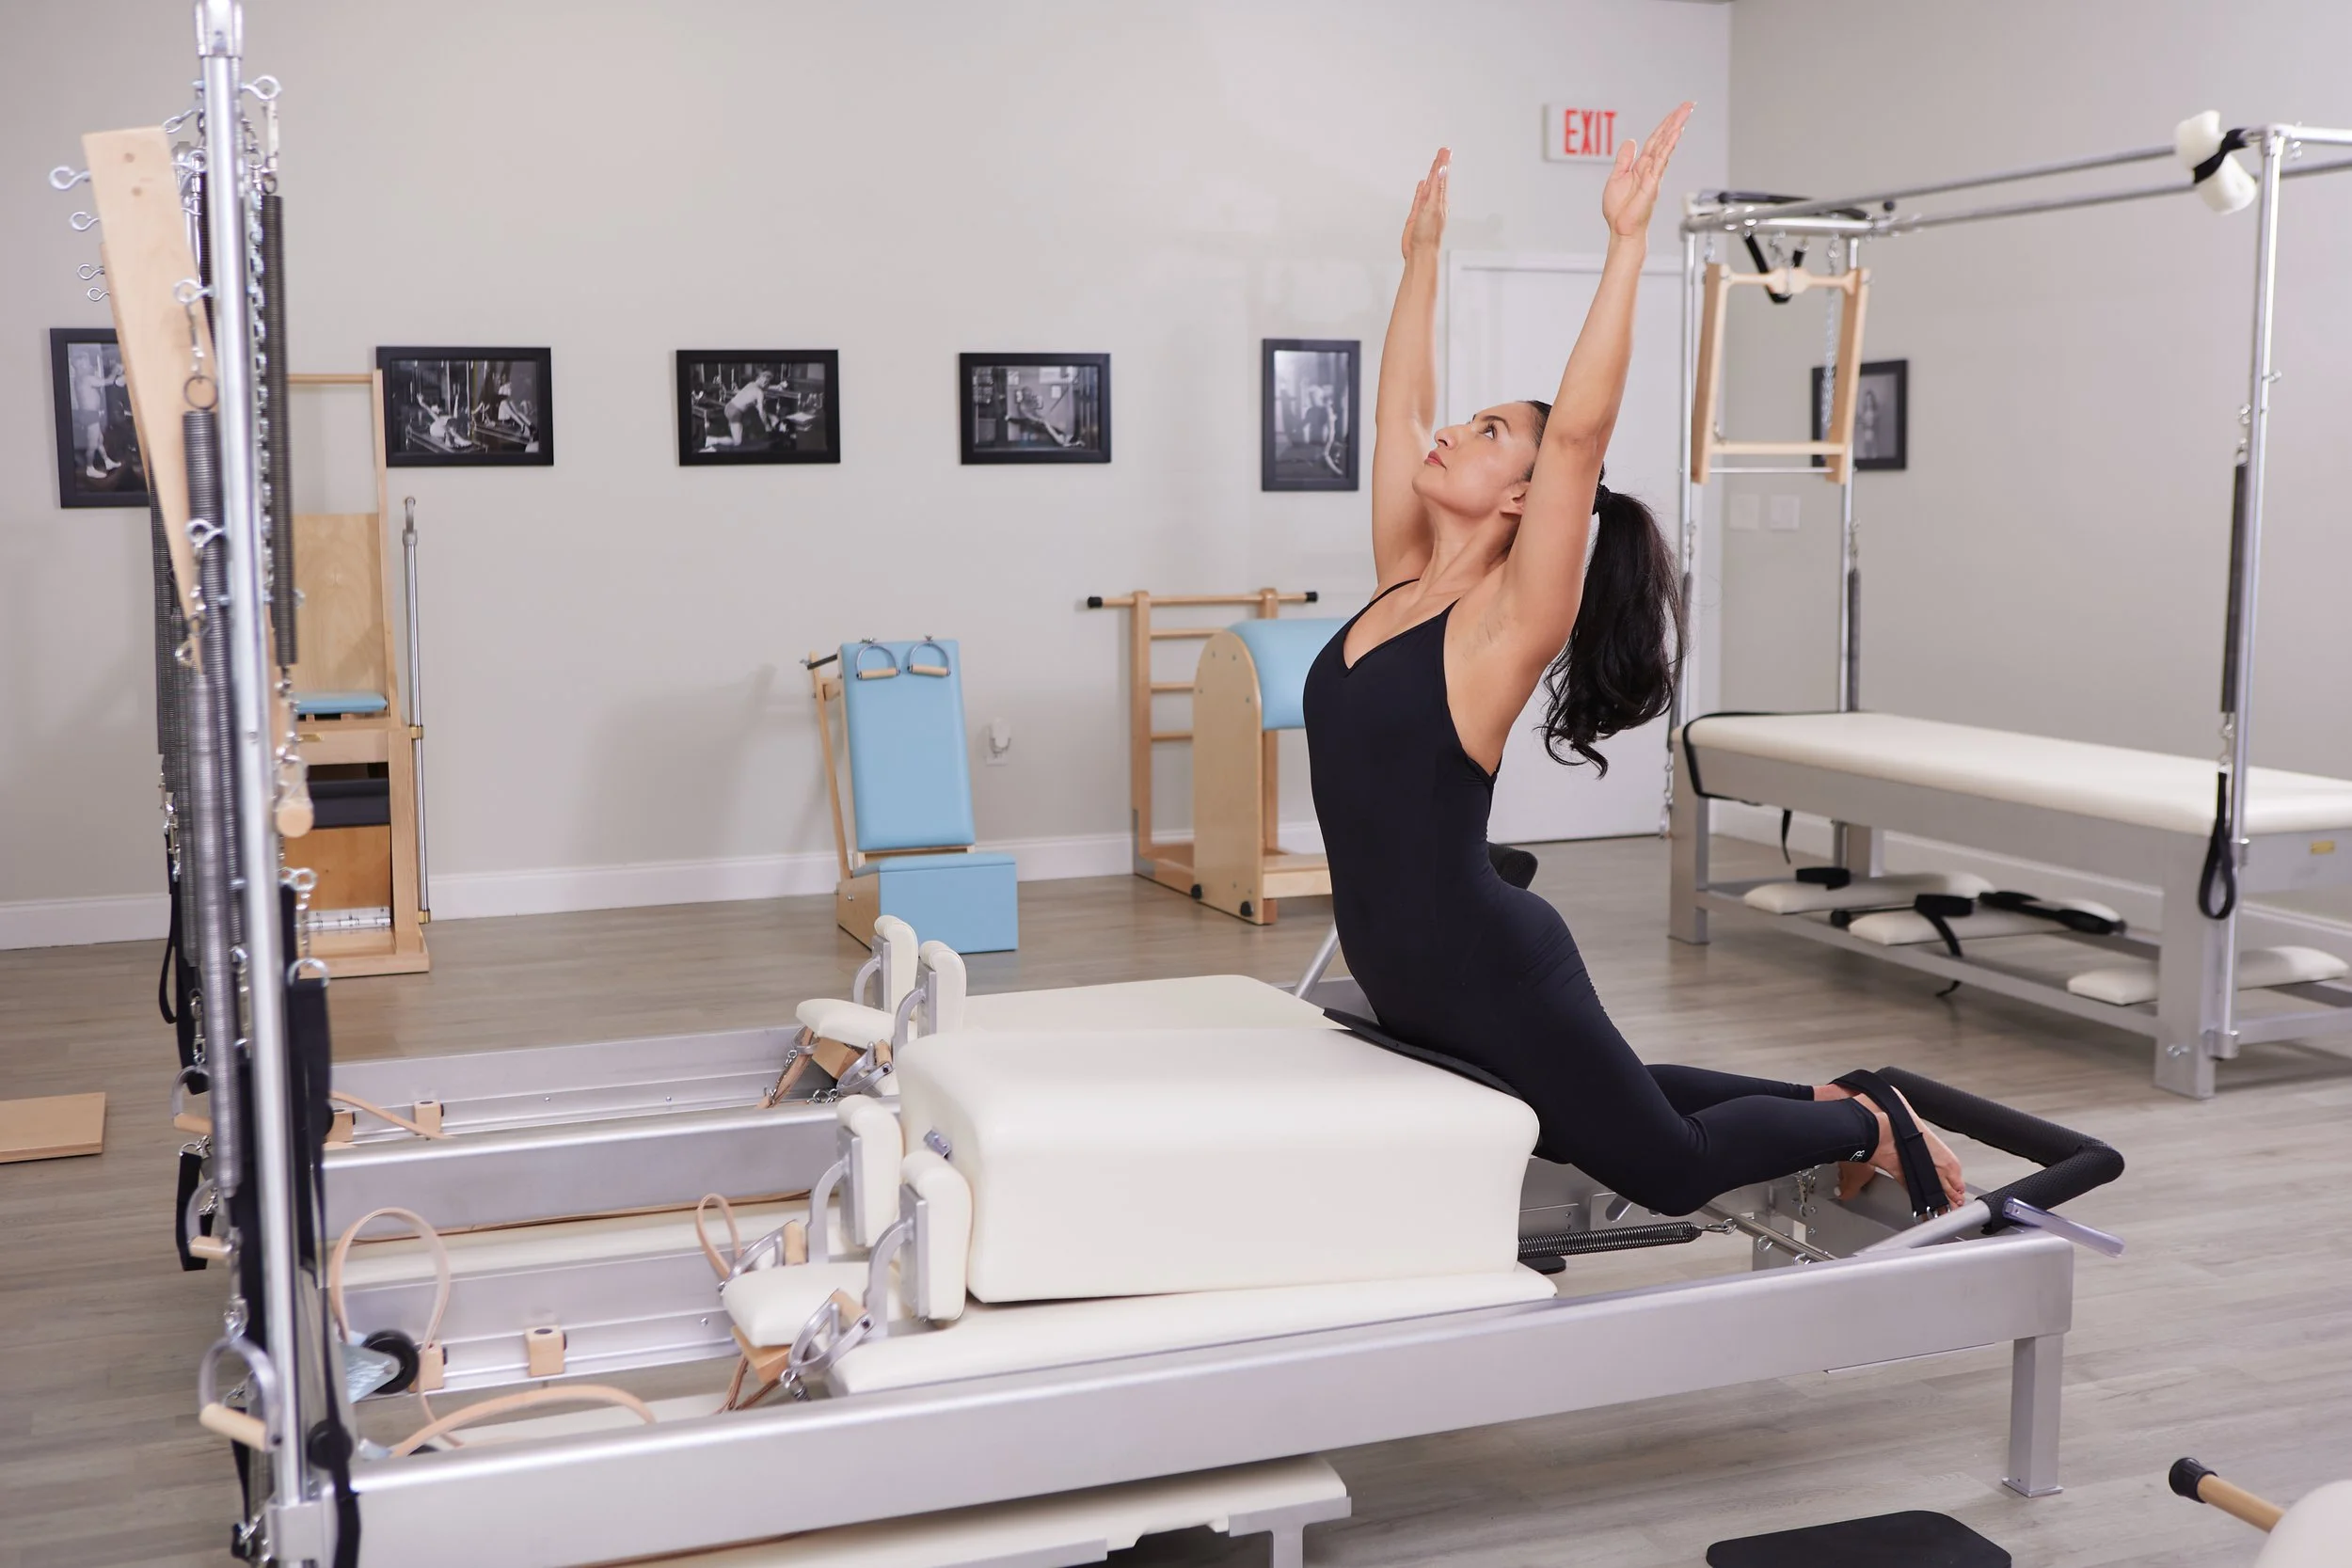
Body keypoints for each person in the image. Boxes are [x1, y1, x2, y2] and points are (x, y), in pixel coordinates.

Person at [1302, 116, 1964, 1219]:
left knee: (1661, 1166)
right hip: (1404, 967)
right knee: (1585, 1113)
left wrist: (1624, 246)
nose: (1452, 433)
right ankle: (1829, 1096)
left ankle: (1864, 1121)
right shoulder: (1400, 579)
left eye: (1487, 431)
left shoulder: (1502, 622)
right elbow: (1397, 410)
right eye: (1465, 421)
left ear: (1523, 496)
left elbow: (1575, 438)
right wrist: (1417, 264)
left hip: (1480, 956)